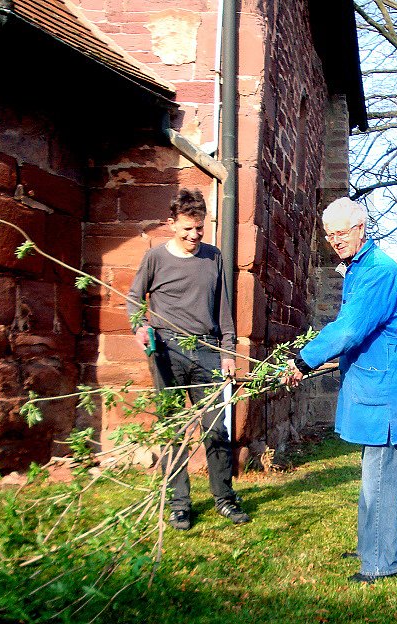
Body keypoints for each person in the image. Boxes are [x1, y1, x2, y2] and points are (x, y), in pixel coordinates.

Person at [285, 196, 397, 583]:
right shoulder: (360, 268)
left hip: (386, 385)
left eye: (341, 232)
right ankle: (370, 547)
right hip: (374, 379)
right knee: (372, 472)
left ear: (361, 227)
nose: (335, 240)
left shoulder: (378, 271)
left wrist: (302, 360)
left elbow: (348, 329)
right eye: (329, 235)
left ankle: (381, 562)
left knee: (382, 476)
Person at [127, 188, 250, 530]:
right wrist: (140, 328)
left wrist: (228, 350)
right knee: (173, 429)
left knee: (216, 428)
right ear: (171, 225)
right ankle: (179, 504)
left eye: (199, 228)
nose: (194, 236)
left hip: (208, 352)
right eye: (187, 229)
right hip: (166, 351)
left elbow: (223, 307)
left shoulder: (214, 257)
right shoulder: (155, 258)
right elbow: (135, 298)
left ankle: (224, 498)